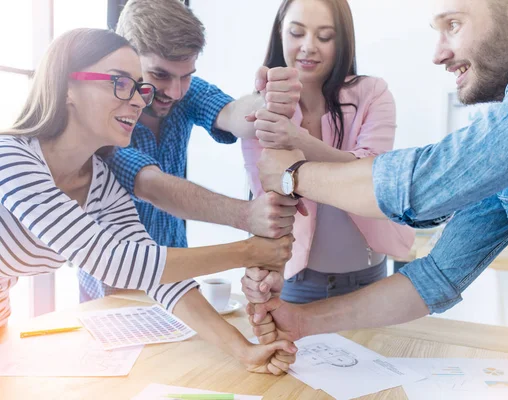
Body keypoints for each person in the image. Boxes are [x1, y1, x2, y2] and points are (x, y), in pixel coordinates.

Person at [246, 0, 508, 368]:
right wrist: (302, 321)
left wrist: (294, 175)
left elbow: (424, 188)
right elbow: (438, 274)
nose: (438, 53)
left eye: (454, 25)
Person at [0, 28, 296, 375]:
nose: (141, 101)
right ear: (67, 86)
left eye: (139, 88)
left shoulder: (100, 183)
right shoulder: (11, 156)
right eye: (120, 83)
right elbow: (111, 259)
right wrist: (250, 251)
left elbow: (156, 276)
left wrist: (241, 349)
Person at [78, 0, 303, 302]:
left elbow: (234, 113)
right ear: (126, 60)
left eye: (186, 75)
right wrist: (247, 215)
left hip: (175, 281)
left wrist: (268, 103)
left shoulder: (185, 92)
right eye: (160, 75)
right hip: (115, 287)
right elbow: (151, 185)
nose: (176, 91)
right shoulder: (103, 115)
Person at [240, 0, 414, 304]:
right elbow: (265, 200)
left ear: (343, 41)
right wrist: (260, 269)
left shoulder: (373, 93)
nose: (308, 47)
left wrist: (299, 139)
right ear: (281, 32)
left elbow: (371, 173)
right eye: (296, 33)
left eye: (324, 37)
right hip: (295, 279)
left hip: (369, 278)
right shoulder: (261, 108)